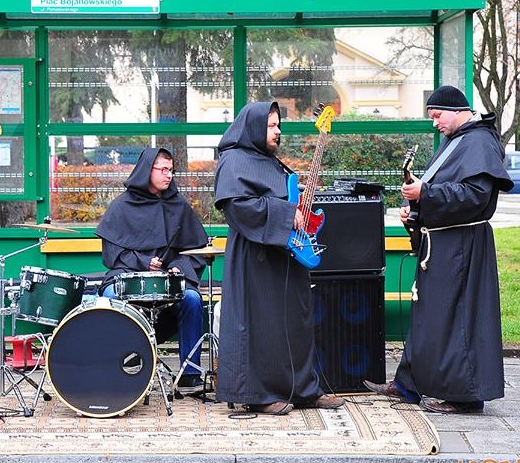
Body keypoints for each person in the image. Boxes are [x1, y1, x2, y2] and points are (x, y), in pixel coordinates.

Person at [364, 85, 514, 414]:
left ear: (457, 109)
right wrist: (416, 209)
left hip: (462, 247)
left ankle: (466, 396)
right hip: (442, 243)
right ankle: (408, 384)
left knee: (457, 319)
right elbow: (443, 191)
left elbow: (475, 197)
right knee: (429, 316)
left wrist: (426, 194)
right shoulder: (456, 141)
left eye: (437, 116)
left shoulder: (480, 142)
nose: (435, 123)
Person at [213, 101, 344, 415]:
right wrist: (287, 214)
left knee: (293, 323)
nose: (278, 132)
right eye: (271, 126)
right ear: (254, 127)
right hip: (255, 260)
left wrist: (294, 201)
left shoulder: (269, 162)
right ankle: (259, 394)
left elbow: (275, 196)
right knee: (261, 326)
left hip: (285, 255)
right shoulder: (233, 161)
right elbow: (238, 208)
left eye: (278, 125)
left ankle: (303, 389)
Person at [95, 148, 208, 394]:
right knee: (111, 299)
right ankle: (111, 367)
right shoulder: (122, 206)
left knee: (191, 298)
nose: (169, 176)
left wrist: (179, 266)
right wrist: (143, 262)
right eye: (163, 170)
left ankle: (190, 372)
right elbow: (112, 255)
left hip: (169, 280)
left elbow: (196, 250)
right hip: (127, 276)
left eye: (171, 170)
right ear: (148, 170)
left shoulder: (178, 206)